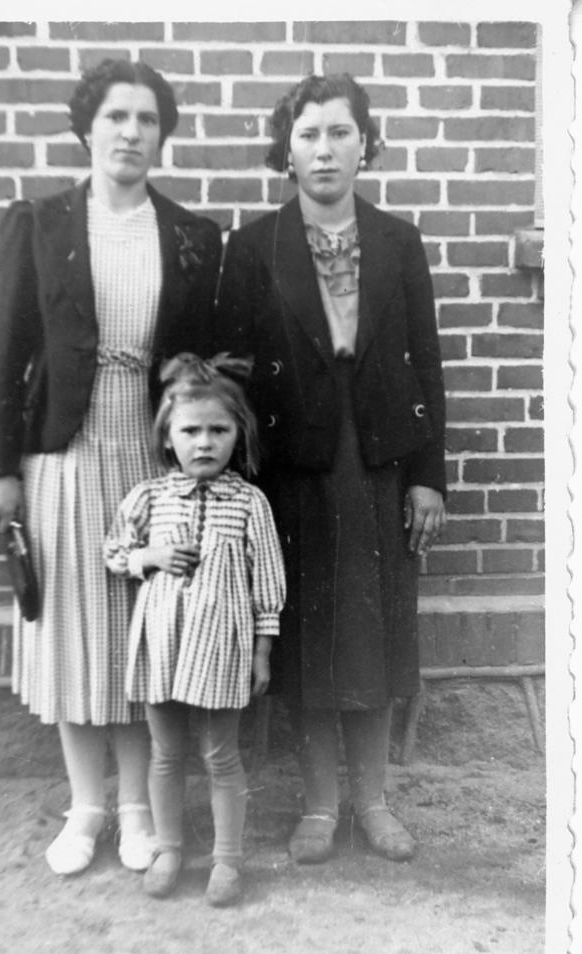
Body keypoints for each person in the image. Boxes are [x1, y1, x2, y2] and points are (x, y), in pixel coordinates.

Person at [0, 59, 222, 877]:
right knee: (77, 634)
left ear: (162, 134)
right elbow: (8, 353)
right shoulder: (39, 224)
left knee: (141, 636)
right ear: (87, 127)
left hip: (151, 458)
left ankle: (140, 809)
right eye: (115, 116)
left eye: (147, 119)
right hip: (67, 452)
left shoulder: (191, 235)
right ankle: (85, 808)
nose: (130, 132)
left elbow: (207, 360)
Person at [216, 72, 447, 865]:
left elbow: (427, 364)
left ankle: (373, 801)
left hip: (378, 459)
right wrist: (238, 480)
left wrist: (427, 476)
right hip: (294, 467)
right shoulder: (253, 246)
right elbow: (233, 374)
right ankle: (318, 806)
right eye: (309, 133)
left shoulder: (398, 241)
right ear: (286, 149)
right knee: (308, 627)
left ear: (366, 145)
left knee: (374, 629)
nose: (324, 148)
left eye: (340, 132)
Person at [104, 353, 286, 906]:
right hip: (162, 642)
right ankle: (169, 849)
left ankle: (227, 860)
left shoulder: (250, 502)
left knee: (220, 756)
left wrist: (262, 652)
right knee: (165, 753)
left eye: (218, 430)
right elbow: (113, 550)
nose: (204, 442)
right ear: (168, 437)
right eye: (190, 431)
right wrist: (150, 555)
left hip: (223, 647)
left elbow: (268, 583)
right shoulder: (150, 497)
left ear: (239, 434)